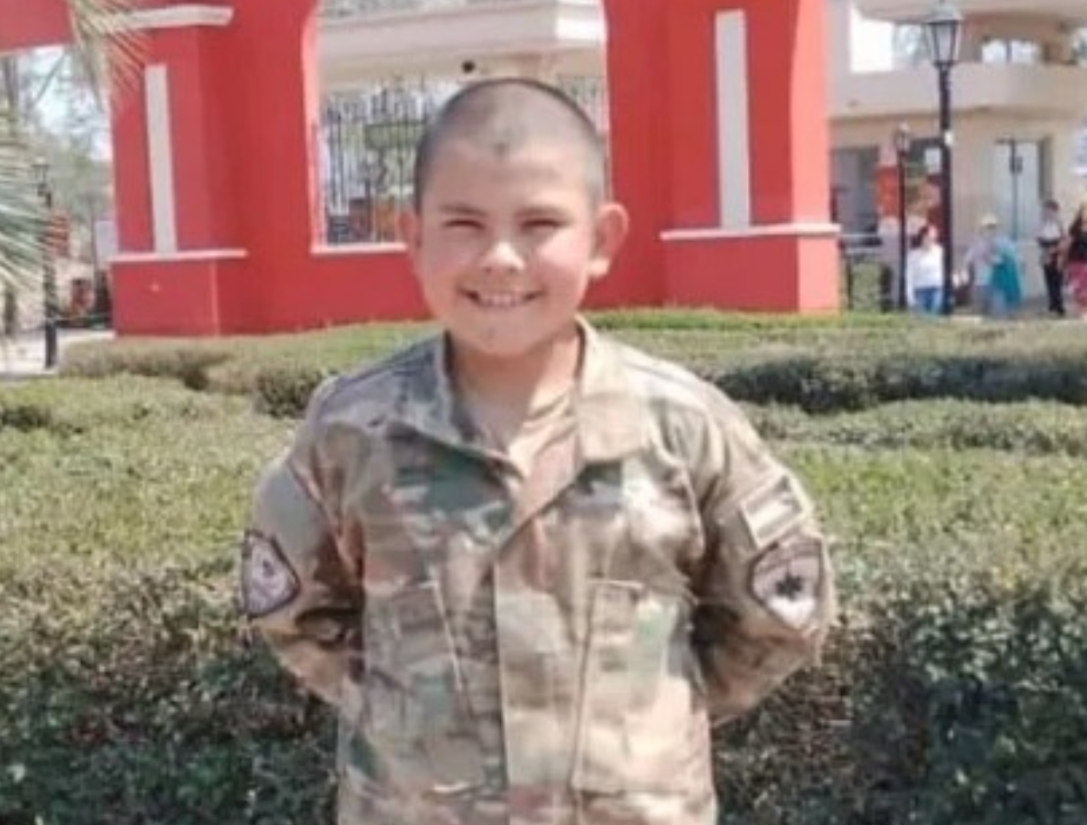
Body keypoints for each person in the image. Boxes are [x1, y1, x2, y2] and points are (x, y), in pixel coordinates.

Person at [238, 78, 837, 825]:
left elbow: (774, 616)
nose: (500, 257)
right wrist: (406, 716)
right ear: (413, 238)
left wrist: (653, 723)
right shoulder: (353, 433)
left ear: (602, 239)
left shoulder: (683, 429)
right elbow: (296, 612)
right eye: (463, 224)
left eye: (540, 223)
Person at [1036, 199, 1067, 317]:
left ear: (1055, 211)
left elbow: (1064, 239)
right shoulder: (1042, 224)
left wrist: (1056, 249)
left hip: (1057, 253)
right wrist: (1045, 249)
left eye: (1049, 210)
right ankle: (1052, 304)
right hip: (1046, 252)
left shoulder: (1059, 223)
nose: (1047, 213)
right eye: (1045, 210)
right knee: (1048, 279)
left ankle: (1059, 306)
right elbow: (1038, 238)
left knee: (1057, 279)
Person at [905, 223, 945, 315]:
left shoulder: (940, 252)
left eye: (934, 237)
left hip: (937, 289)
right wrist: (910, 298)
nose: (932, 240)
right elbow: (909, 276)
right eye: (929, 237)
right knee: (921, 318)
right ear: (922, 237)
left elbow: (944, 271)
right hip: (920, 290)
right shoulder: (913, 255)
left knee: (934, 317)